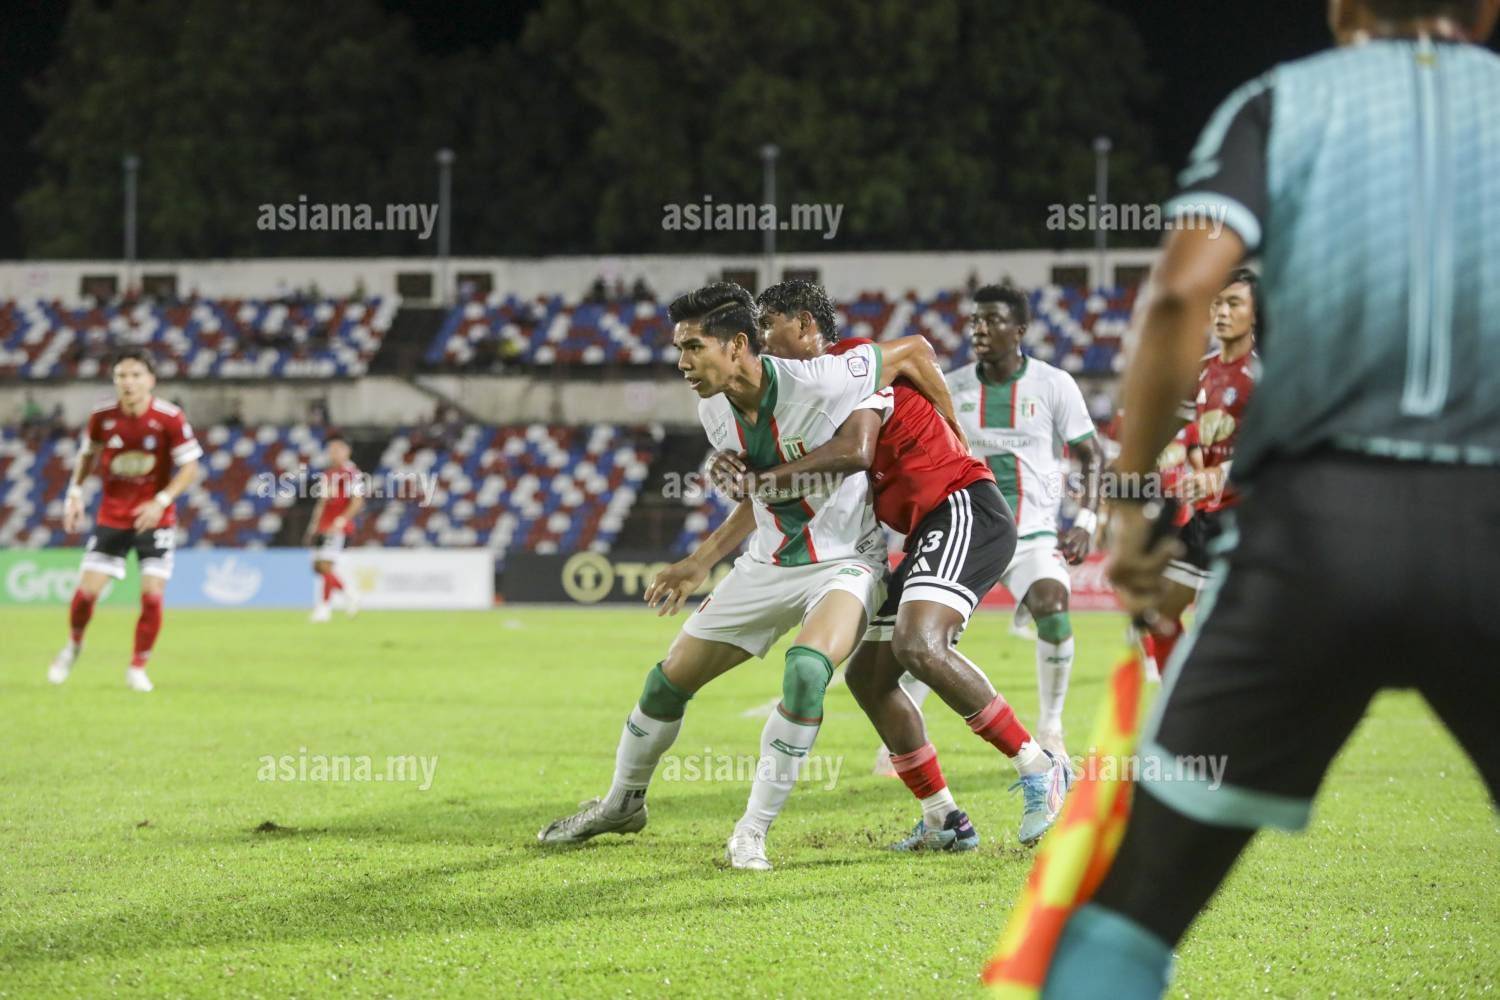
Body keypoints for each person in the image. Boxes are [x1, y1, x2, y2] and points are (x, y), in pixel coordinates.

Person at [1043, 2, 1500, 996]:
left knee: (1134, 907)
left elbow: (1177, 292)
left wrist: (1132, 504)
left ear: (1342, 10)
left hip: (1314, 539)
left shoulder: (1276, 103)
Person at [537, 282, 963, 869]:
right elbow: (757, 493)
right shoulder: (713, 409)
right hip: (766, 563)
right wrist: (700, 560)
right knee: (665, 684)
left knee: (807, 671)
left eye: (693, 347)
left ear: (737, 346)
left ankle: (751, 831)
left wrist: (958, 434)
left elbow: (914, 349)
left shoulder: (822, 379)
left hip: (845, 562)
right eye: (679, 349)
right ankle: (620, 803)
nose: (683, 363)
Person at [711, 280, 1073, 850]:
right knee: (869, 678)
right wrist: (733, 479)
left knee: (919, 645)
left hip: (960, 505)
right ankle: (943, 818)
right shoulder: (798, 404)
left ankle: (1039, 764)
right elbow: (776, 490)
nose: (760, 341)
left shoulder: (848, 367)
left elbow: (861, 441)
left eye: (768, 326)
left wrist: (951, 423)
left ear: (804, 325)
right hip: (927, 527)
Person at [938, 285, 1105, 762]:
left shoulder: (1053, 384)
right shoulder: (949, 387)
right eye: (975, 320)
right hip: (969, 532)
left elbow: (1093, 455)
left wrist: (1086, 520)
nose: (979, 329)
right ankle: (902, 743)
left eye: (992, 320)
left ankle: (1051, 728)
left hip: (1032, 534)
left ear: (1019, 330)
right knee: (928, 633)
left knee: (1053, 608)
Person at [47, 347, 203, 693]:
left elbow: (190, 467)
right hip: (113, 517)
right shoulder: (102, 416)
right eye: (121, 376)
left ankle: (137, 667)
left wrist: (161, 501)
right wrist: (74, 493)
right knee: (86, 595)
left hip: (156, 519)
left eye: (135, 375)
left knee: (152, 596)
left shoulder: (170, 417)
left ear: (151, 380)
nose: (128, 382)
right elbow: (88, 454)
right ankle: (73, 645)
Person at [1143, 269, 1261, 678]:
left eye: (1234, 303)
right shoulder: (1200, 371)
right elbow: (1173, 432)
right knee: (1160, 614)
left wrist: (1221, 472)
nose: (1222, 312)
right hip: (1207, 516)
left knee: (1229, 628)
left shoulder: (1266, 375)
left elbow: (1270, 445)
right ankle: (1176, 701)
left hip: (1252, 516)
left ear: (1256, 314)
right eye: (1216, 303)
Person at [304, 433, 365, 622]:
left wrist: (341, 521)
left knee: (325, 565)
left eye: (337, 450)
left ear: (347, 451)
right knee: (317, 566)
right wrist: (313, 526)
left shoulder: (353, 474)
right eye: (331, 450)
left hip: (337, 527)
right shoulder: (328, 474)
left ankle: (324, 608)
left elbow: (357, 501)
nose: (333, 454)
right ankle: (349, 594)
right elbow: (322, 502)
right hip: (323, 525)